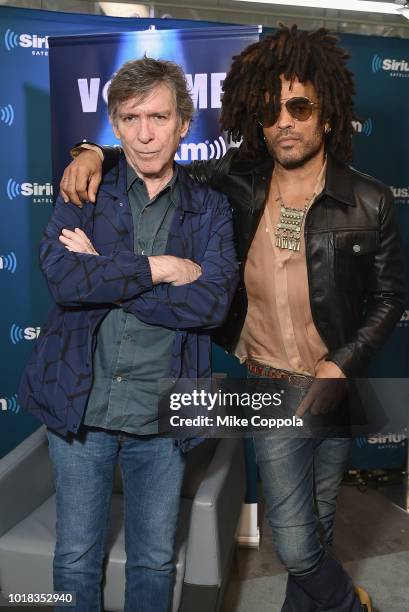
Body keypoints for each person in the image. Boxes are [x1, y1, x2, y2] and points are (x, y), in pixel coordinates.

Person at [59, 26, 405, 612]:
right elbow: (157, 157)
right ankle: (350, 605)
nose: (284, 121)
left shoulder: (370, 201)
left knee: (318, 522)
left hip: (339, 384)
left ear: (327, 115)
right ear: (256, 116)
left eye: (300, 106)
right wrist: (94, 151)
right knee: (296, 545)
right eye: (270, 109)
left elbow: (390, 297)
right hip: (269, 386)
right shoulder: (238, 182)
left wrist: (342, 364)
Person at [18, 57, 238, 612]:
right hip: (81, 406)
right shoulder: (83, 189)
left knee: (155, 560)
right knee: (74, 557)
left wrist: (106, 272)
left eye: (159, 117)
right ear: (113, 126)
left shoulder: (209, 207)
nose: (145, 133)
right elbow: (66, 280)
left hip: (163, 417)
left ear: (184, 124)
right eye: (132, 118)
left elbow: (210, 303)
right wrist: (158, 268)